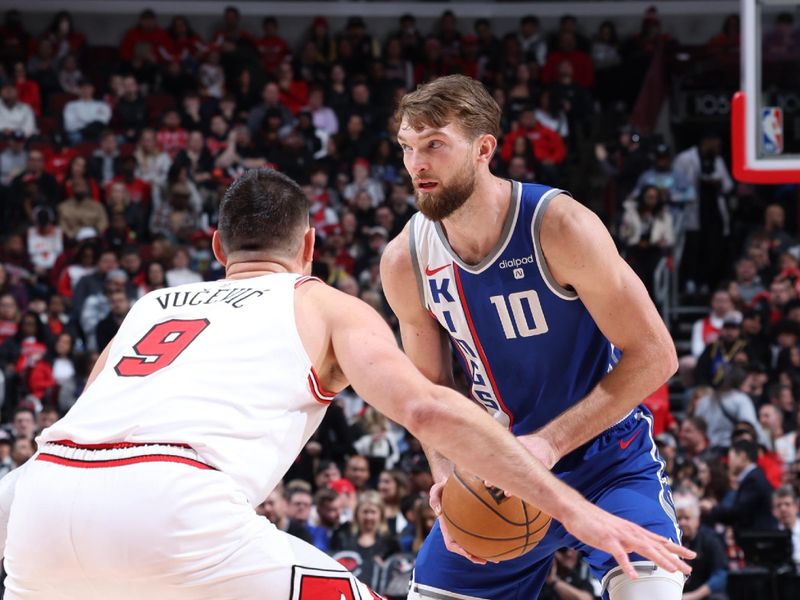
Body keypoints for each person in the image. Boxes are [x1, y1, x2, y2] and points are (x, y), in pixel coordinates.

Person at [0, 168, 691, 599]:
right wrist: (575, 510)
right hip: (169, 505)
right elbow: (427, 405)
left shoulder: (149, 306)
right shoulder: (322, 302)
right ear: (308, 249)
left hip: (36, 501)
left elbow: (85, 412)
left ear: (216, 250)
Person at [382, 75, 686, 600]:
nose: (417, 165)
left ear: (483, 149)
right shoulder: (405, 260)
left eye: (434, 145)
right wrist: (447, 478)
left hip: (608, 464)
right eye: (409, 147)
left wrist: (549, 444)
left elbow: (657, 356)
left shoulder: (560, 225)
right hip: (498, 479)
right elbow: (431, 389)